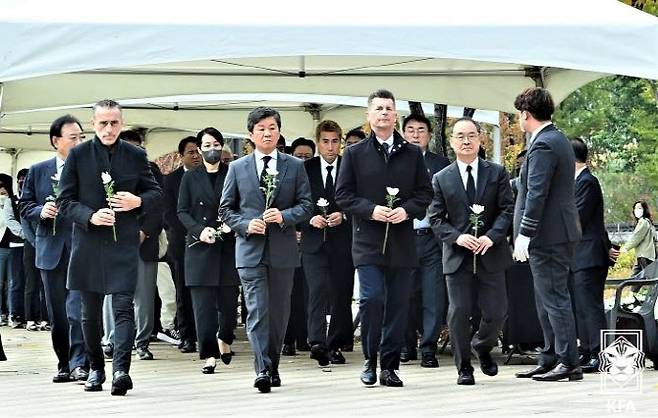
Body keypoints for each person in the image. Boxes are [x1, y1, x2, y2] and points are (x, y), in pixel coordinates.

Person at [57, 100, 162, 395]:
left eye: (114, 123)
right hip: (88, 244)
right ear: (93, 124)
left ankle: (121, 371)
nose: (109, 128)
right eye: (103, 123)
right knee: (89, 314)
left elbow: (155, 192)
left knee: (123, 309)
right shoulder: (77, 155)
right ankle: (96, 369)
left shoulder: (136, 155)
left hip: (123, 243)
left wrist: (137, 201)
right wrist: (89, 216)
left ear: (122, 122)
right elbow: (64, 201)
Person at [335, 89, 433, 387]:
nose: (384, 113)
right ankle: (369, 359)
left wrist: (407, 211)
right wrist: (371, 210)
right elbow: (343, 196)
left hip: (403, 241)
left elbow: (425, 193)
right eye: (378, 108)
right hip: (368, 241)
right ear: (368, 115)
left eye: (389, 108)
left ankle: (390, 366)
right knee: (372, 299)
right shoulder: (354, 153)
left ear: (395, 115)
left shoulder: (412, 153)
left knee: (398, 305)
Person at [220, 106, 313, 393]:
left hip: (283, 250)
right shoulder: (237, 168)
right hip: (250, 252)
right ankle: (261, 368)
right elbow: (226, 209)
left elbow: (306, 205)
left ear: (279, 131)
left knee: (278, 312)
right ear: (251, 134)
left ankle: (272, 364)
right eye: (261, 128)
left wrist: (284, 216)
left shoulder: (294, 166)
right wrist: (247, 224)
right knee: (257, 310)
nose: (267, 132)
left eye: (272, 127)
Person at [428, 117, 514, 385]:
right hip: (458, 257)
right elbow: (435, 218)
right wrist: (457, 237)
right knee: (459, 311)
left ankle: (482, 346)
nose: (466, 141)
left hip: (491, 253)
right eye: (460, 136)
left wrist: (492, 237)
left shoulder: (497, 173)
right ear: (452, 142)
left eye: (471, 135)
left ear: (480, 139)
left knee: (497, 311)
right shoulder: (441, 179)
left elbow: (507, 210)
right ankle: (463, 366)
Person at [512, 88, 582, 382]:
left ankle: (568, 361)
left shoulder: (543, 145)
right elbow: (535, 185)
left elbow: (538, 194)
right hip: (557, 232)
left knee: (553, 298)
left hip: (547, 235)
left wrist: (524, 233)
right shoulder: (557, 139)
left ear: (525, 115)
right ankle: (550, 356)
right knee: (546, 299)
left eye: (518, 114)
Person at [19, 116, 88, 382]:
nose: (79, 142)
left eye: (82, 137)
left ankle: (79, 363)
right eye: (73, 137)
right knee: (58, 313)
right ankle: (64, 362)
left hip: (82, 248)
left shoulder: (90, 170)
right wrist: (41, 211)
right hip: (50, 250)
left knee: (77, 309)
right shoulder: (38, 170)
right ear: (55, 141)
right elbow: (25, 205)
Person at [178, 127, 239, 374]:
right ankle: (209, 355)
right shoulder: (190, 177)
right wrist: (199, 230)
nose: (211, 149)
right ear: (200, 149)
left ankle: (224, 338)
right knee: (202, 308)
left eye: (216, 144)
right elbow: (182, 211)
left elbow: (242, 204)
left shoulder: (233, 173)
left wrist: (232, 225)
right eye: (206, 145)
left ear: (222, 146)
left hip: (228, 247)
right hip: (200, 248)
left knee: (227, 305)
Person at [299, 120, 355, 367]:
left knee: (341, 293)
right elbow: (296, 200)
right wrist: (309, 218)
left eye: (334, 142)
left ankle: (335, 343)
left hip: (343, 241)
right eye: (325, 141)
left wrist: (343, 214)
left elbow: (358, 199)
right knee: (317, 290)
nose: (330, 147)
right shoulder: (305, 168)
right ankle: (317, 342)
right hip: (313, 241)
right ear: (318, 142)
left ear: (340, 143)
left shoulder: (349, 167)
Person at [400, 114, 450, 368]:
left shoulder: (441, 164)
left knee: (433, 295)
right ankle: (407, 344)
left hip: (432, 237)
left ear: (429, 135)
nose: (416, 134)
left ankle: (428, 347)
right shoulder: (395, 161)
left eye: (421, 130)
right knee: (405, 294)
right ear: (403, 133)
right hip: (403, 236)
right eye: (410, 130)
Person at [569, 138, 619, 374]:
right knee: (580, 304)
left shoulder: (587, 182)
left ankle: (600, 353)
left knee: (590, 305)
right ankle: (588, 350)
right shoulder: (577, 182)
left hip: (588, 254)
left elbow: (579, 217)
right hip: (581, 255)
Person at [163, 136, 201, 353]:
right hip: (182, 242)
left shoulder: (210, 176)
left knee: (207, 291)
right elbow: (168, 214)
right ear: (181, 156)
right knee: (183, 291)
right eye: (191, 152)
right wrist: (192, 230)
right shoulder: (171, 180)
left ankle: (208, 336)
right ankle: (187, 335)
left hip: (209, 242)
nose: (196, 156)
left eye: (198, 151)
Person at [282, 138, 316, 356]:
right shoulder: (284, 175)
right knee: (288, 293)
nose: (302, 160)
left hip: (309, 241)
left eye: (307, 156)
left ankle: (305, 336)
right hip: (285, 240)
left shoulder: (315, 177)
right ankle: (287, 339)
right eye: (298, 155)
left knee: (307, 292)